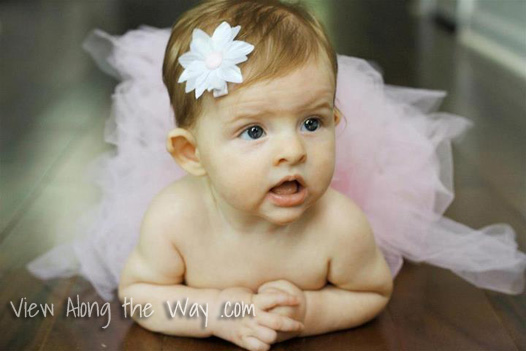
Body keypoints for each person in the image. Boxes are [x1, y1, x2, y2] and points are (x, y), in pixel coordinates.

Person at [27, 1, 526, 350]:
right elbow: (141, 295)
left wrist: (310, 312)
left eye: (313, 123)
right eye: (253, 131)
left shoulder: (340, 225)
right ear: (191, 153)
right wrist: (216, 314)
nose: (292, 150)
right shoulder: (174, 220)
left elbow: (372, 292)